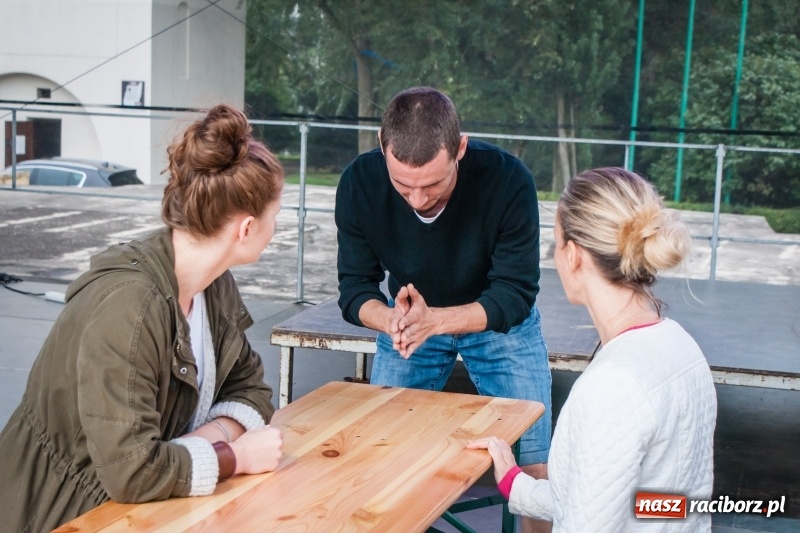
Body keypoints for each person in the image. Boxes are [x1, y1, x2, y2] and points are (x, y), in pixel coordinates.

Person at [0, 104, 285, 532]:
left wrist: (200, 442)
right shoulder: (129, 307)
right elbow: (130, 470)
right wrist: (235, 457)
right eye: (274, 218)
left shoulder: (213, 284)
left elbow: (251, 390)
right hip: (60, 514)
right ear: (246, 229)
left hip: (142, 513)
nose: (275, 228)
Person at [335, 86, 552, 506]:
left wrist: (437, 320)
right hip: (412, 324)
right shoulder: (359, 183)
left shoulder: (509, 181)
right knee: (381, 454)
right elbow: (355, 288)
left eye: (434, 183)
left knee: (534, 467)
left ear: (460, 150)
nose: (418, 199)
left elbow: (515, 294)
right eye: (402, 185)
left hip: (498, 324)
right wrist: (390, 320)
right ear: (383, 148)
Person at [468, 167, 718, 532]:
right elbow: (618, 499)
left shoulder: (612, 385)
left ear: (573, 255)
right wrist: (513, 481)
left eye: (556, 243)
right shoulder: (680, 345)